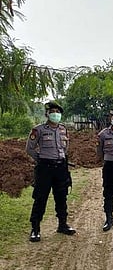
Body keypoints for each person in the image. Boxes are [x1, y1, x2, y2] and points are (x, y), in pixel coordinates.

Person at [26, 101, 76, 242]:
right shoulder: (39, 130)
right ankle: (35, 229)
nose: (56, 114)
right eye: (53, 112)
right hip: (45, 169)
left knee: (61, 197)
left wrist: (61, 158)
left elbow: (65, 148)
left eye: (58, 112)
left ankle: (62, 224)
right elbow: (29, 149)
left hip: (61, 168)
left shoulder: (63, 129)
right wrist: (41, 159)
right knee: (40, 198)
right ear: (47, 114)